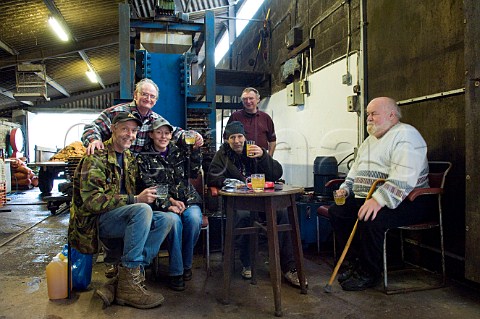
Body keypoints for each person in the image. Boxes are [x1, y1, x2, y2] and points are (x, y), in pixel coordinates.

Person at [69, 112, 176, 308]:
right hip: (95, 222)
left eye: (134, 130)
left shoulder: (128, 157)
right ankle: (128, 285)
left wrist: (169, 201)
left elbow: (146, 184)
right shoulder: (96, 156)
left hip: (120, 216)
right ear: (113, 129)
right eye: (125, 129)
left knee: (166, 219)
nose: (130, 134)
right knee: (142, 209)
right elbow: (92, 202)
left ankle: (120, 283)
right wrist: (135, 199)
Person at [329, 97, 433, 291]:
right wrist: (346, 187)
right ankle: (353, 262)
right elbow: (355, 171)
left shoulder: (406, 135)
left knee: (371, 218)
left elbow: (404, 176)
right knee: (338, 212)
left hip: (410, 201)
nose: (369, 118)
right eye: (368, 113)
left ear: (391, 115)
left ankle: (369, 272)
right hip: (369, 197)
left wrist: (379, 200)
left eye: (373, 113)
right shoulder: (369, 141)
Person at [207, 121, 306, 288]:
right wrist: (235, 182)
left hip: (260, 198)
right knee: (244, 216)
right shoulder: (222, 154)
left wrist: (263, 155)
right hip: (237, 201)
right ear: (226, 140)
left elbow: (276, 173)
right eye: (232, 137)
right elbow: (212, 176)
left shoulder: (255, 150)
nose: (237, 141)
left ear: (245, 137)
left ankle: (289, 267)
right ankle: (247, 262)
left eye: (240, 136)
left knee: (281, 212)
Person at [136, 118, 203, 292]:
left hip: (187, 198)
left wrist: (196, 151)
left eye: (166, 133)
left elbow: (194, 172)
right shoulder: (143, 157)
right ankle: (177, 272)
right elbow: (147, 184)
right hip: (162, 204)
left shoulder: (179, 151)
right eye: (159, 132)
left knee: (194, 218)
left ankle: (187, 265)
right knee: (174, 222)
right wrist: (169, 203)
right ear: (151, 135)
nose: (163, 136)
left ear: (171, 135)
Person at [82, 78, 203, 155]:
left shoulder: (156, 120)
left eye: (152, 96)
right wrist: (94, 140)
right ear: (135, 95)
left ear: (156, 100)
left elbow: (175, 133)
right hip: (111, 166)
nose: (148, 99)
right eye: (144, 94)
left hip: (135, 170)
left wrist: (193, 136)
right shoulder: (116, 113)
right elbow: (91, 128)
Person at [227, 87, 277, 156]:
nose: (248, 101)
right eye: (245, 99)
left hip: (260, 160)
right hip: (240, 160)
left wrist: (269, 158)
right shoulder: (235, 117)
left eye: (251, 98)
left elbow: (272, 141)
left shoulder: (266, 118)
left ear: (258, 100)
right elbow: (227, 139)